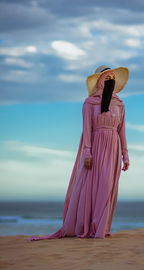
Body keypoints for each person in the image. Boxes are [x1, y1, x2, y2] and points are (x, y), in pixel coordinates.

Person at [29, 65, 130, 241]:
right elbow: (87, 130)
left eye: (112, 77)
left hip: (113, 148)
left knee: (108, 187)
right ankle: (91, 228)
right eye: (107, 77)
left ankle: (101, 228)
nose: (110, 80)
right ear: (99, 81)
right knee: (94, 187)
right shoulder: (89, 103)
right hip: (96, 147)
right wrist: (87, 153)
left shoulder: (120, 104)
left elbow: (122, 131)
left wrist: (125, 154)